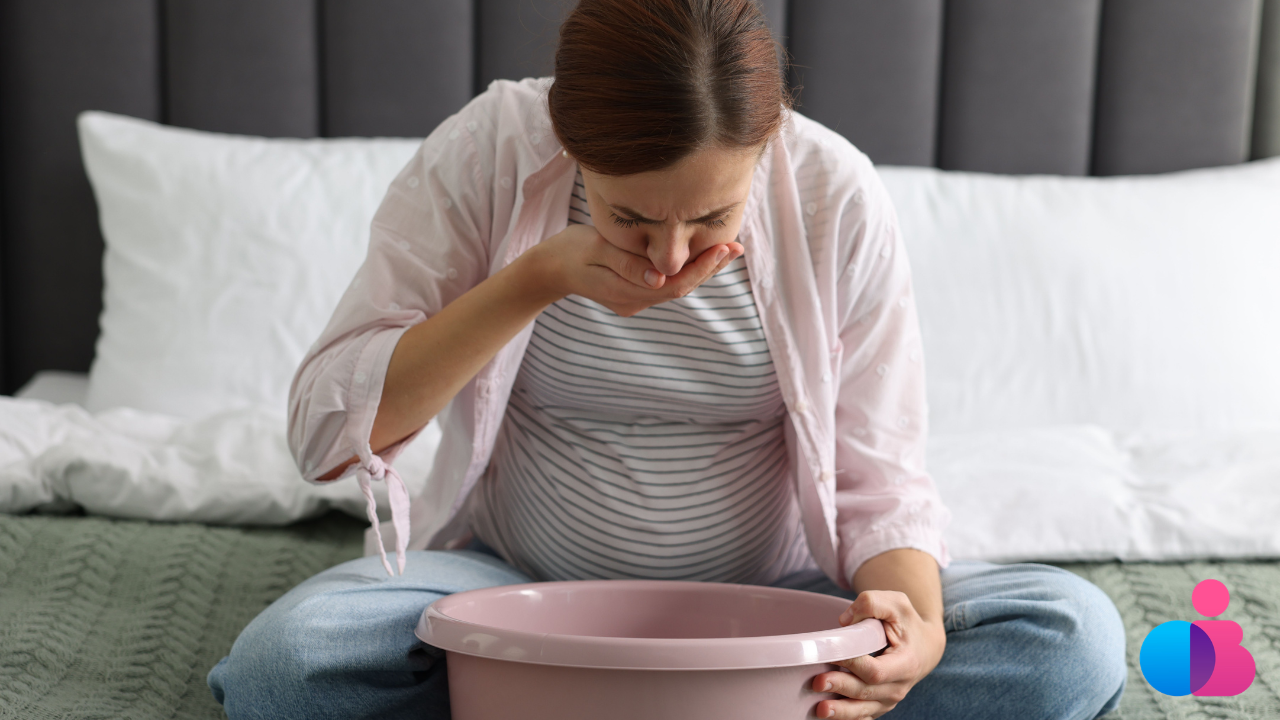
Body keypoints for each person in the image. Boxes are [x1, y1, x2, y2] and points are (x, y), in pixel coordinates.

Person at [208, 0, 1128, 717]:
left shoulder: (831, 192)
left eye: (713, 219)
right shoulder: (489, 149)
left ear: (766, 149)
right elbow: (325, 433)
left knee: (1072, 637)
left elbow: (879, 480)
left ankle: (577, 711)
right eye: (631, 218)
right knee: (288, 669)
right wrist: (534, 281)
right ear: (571, 146)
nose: (670, 259)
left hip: (782, 607)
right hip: (513, 590)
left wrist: (906, 626)